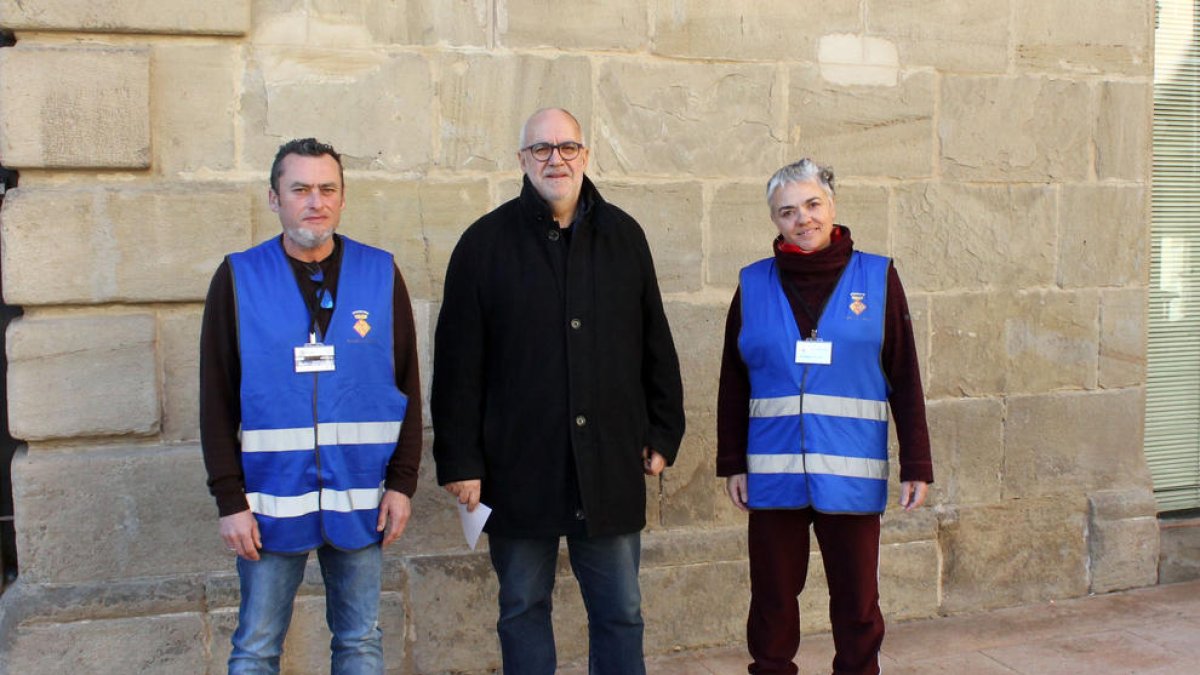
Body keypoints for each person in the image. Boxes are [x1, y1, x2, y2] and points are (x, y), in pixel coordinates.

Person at [431, 108, 686, 675]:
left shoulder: (625, 237)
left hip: (610, 464)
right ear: (522, 160)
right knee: (522, 607)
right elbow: (456, 365)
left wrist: (665, 431)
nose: (556, 159)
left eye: (568, 147)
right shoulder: (483, 244)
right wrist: (460, 460)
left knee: (621, 610)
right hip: (518, 468)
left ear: (586, 155)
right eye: (542, 149)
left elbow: (655, 344)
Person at [200, 137, 422, 674]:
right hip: (269, 502)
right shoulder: (238, 278)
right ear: (274, 198)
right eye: (299, 188)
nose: (314, 201)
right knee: (255, 644)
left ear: (343, 198)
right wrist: (230, 500)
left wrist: (402, 482)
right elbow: (215, 399)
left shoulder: (380, 272)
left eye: (327, 189)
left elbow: (408, 383)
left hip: (359, 496)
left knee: (360, 641)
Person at [716, 158, 933, 675]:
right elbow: (732, 382)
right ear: (774, 220)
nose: (803, 219)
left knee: (857, 603)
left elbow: (904, 375)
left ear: (832, 206)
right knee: (771, 600)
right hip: (773, 474)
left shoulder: (878, 278)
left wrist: (917, 463)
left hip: (851, 474)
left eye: (812, 205)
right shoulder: (753, 284)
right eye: (787, 211)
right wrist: (732, 463)